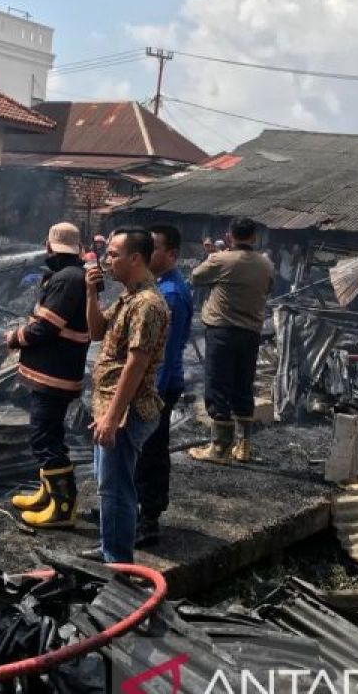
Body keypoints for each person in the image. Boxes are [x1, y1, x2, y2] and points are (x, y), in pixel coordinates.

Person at [81, 228, 169, 563]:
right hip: (109, 408)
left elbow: (136, 364)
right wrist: (91, 294)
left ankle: (117, 562)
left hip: (126, 411)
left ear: (135, 258)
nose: (107, 260)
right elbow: (95, 332)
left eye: (114, 254)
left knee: (117, 488)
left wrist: (113, 416)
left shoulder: (148, 304)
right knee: (107, 486)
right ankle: (109, 547)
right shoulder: (127, 296)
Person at [5, 222, 90, 528]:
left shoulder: (67, 279)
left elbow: (46, 326)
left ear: (49, 246)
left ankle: (63, 508)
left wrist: (16, 337)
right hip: (52, 372)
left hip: (54, 374)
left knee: (44, 438)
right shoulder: (69, 276)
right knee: (49, 434)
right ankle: (49, 495)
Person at [188, 217, 274, 463]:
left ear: (229, 236)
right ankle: (243, 446)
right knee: (243, 386)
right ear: (254, 237)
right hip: (251, 334)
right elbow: (267, 288)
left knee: (218, 386)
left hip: (222, 331)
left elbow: (196, 277)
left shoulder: (220, 259)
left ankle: (219, 449)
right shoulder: (266, 265)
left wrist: (212, 256)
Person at [135, 224, 193, 547]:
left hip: (160, 386)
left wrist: (149, 394)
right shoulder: (160, 286)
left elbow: (165, 354)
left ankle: (149, 519)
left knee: (151, 450)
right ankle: (135, 510)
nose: (146, 253)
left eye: (153, 248)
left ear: (171, 254)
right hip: (161, 383)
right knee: (145, 449)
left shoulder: (169, 294)